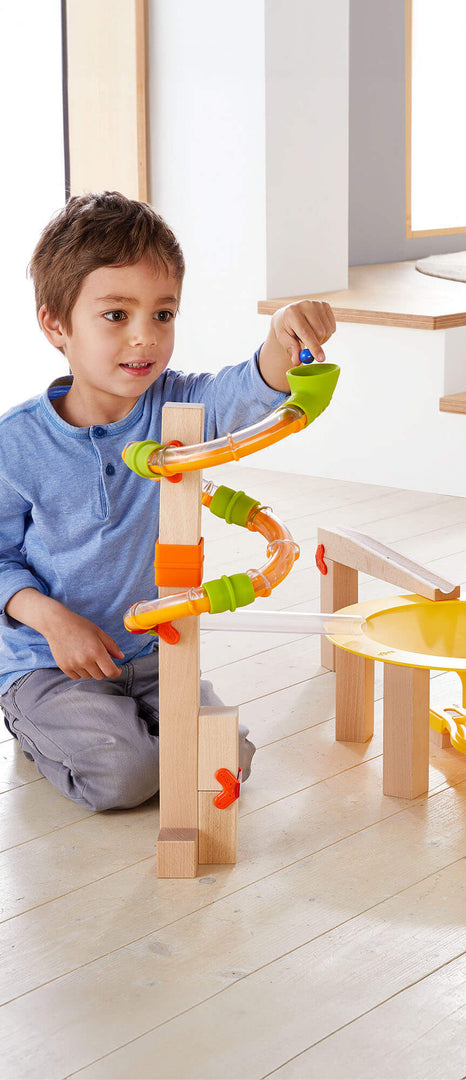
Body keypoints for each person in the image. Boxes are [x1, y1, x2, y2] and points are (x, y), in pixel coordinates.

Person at [0, 190, 336, 810]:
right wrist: (52, 620)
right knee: (125, 778)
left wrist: (280, 343)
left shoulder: (177, 410)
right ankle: (37, 725)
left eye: (162, 315)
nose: (143, 339)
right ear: (55, 324)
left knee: (222, 758)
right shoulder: (16, 443)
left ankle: (126, 726)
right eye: (115, 315)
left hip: (153, 649)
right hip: (50, 661)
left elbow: (243, 392)